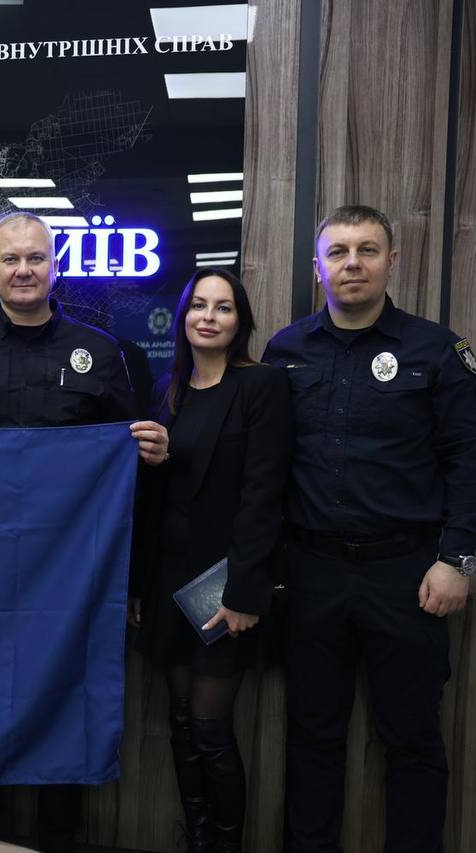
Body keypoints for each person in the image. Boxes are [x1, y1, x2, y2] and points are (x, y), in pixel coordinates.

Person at [0, 211, 168, 853]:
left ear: (55, 267)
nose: (24, 270)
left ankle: (59, 837)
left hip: (70, 574)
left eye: (35, 258)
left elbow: (128, 466)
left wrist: (151, 449)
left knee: (63, 699)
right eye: (11, 259)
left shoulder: (100, 353)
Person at [262, 205, 476, 852]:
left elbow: (474, 459)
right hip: (310, 571)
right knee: (312, 734)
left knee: (412, 738)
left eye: (367, 250)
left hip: (407, 574)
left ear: (392, 261)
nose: (353, 264)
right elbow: (263, 462)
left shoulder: (437, 349)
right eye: (338, 252)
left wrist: (457, 558)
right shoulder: (285, 350)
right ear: (318, 268)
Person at [129, 268, 292, 853]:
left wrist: (245, 591)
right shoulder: (165, 389)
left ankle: (224, 845)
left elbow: (263, 494)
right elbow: (154, 497)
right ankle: (198, 839)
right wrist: (138, 586)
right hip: (168, 578)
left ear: (240, 321)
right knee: (179, 720)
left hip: (224, 582)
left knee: (210, 725)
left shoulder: (261, 385)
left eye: (223, 307)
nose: (208, 316)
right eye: (199, 305)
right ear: (182, 317)